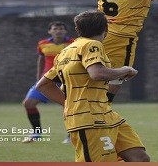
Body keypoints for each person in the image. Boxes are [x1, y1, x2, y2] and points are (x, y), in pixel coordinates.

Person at [35, 10, 149, 162]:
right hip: (89, 120)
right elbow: (97, 73)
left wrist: (70, 104)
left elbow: (43, 85)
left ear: (77, 30)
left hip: (106, 114)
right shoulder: (92, 45)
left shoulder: (65, 52)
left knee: (139, 158)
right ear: (106, 29)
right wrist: (125, 70)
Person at [21, 21, 75, 143]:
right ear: (50, 31)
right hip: (47, 79)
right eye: (55, 29)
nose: (58, 31)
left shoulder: (73, 43)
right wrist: (39, 76)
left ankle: (72, 135)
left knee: (69, 107)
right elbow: (41, 59)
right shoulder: (43, 44)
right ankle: (36, 133)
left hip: (66, 79)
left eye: (61, 29)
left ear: (65, 31)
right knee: (28, 103)